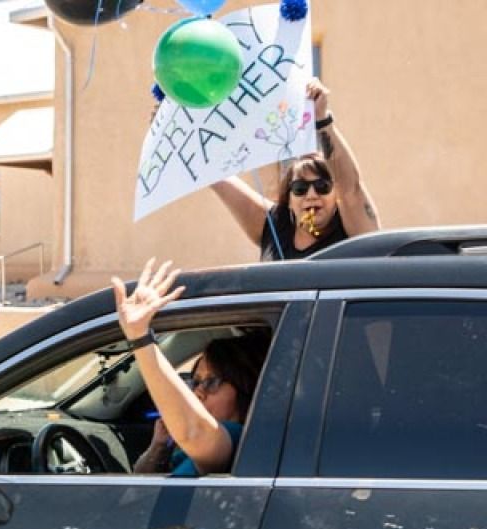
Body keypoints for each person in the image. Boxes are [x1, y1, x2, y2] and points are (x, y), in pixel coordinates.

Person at [111, 260, 270, 476]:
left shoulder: (236, 437)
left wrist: (139, 335)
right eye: (195, 381)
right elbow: (139, 481)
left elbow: (194, 432)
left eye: (212, 382)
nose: (198, 392)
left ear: (244, 385)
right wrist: (159, 446)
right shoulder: (188, 448)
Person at [211, 78, 381, 261]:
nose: (312, 195)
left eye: (322, 186)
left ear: (336, 196)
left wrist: (322, 119)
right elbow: (215, 175)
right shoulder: (275, 227)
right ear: (289, 199)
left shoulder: (354, 231)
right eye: (300, 188)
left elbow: (351, 189)